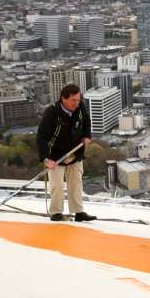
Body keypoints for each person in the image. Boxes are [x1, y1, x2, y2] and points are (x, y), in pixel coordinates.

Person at [36, 84, 96, 222]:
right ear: (63, 98)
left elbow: (87, 121)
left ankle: (78, 212)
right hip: (55, 155)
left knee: (76, 183)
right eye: (73, 100)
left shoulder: (80, 107)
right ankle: (56, 212)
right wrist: (45, 158)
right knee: (57, 185)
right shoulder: (52, 113)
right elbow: (41, 137)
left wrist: (87, 136)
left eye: (78, 99)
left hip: (75, 152)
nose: (76, 103)